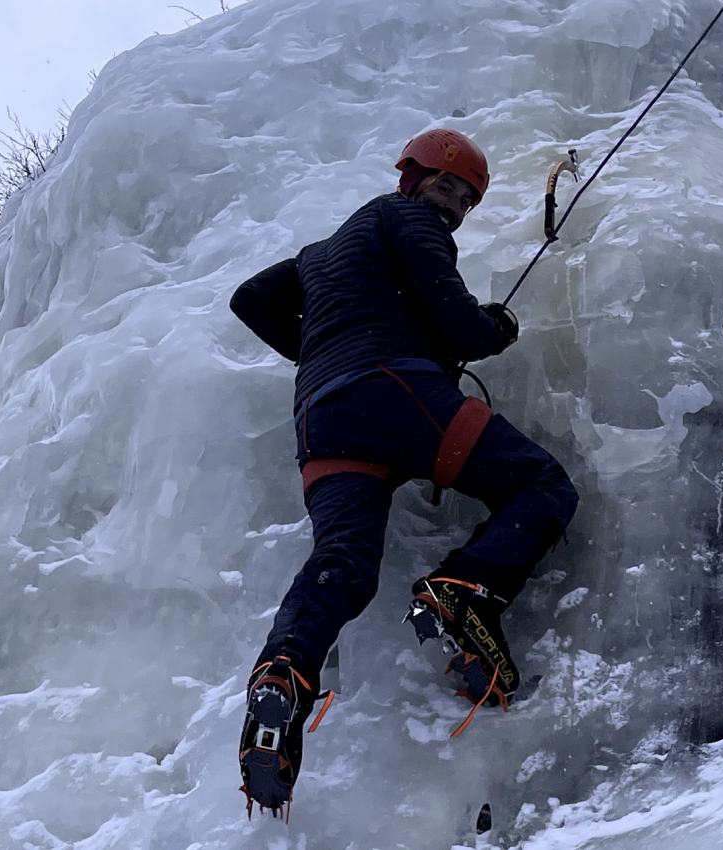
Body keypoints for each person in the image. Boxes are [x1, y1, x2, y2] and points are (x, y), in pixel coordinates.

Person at [228, 128, 579, 815]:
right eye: (447, 186)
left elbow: (249, 299)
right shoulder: (407, 218)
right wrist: (491, 329)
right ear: (412, 179)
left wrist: (323, 347)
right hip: (394, 388)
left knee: (345, 560)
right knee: (543, 484)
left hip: (323, 421)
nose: (453, 205)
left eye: (466, 198)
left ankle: (285, 673)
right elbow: (457, 319)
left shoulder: (315, 256)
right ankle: (464, 592)